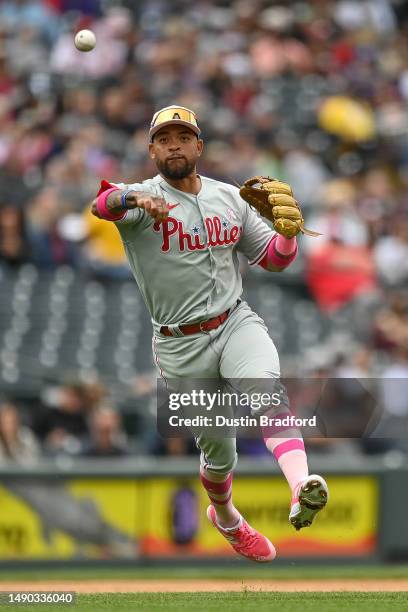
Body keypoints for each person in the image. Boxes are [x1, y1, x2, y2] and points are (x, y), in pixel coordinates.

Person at [90, 105, 328, 562]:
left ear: (199, 146)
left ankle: (301, 486)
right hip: (179, 345)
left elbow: (275, 260)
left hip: (234, 321)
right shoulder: (139, 197)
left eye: (183, 136)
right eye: (164, 138)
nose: (173, 144)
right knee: (221, 456)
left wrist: (289, 234)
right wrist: (133, 200)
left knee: (266, 393)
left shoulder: (230, 198)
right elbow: (100, 204)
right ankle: (226, 518)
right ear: (152, 150)